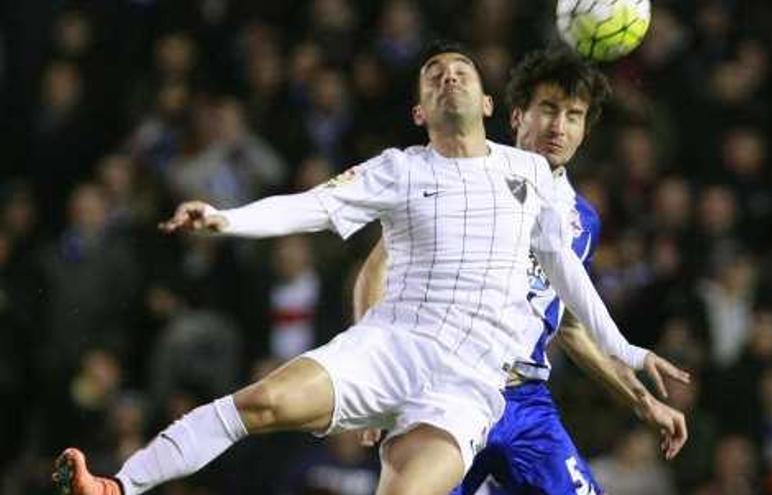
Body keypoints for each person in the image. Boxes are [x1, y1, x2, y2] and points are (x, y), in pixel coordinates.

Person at [53, 40, 678, 495]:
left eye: (462, 70)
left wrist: (626, 350)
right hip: (390, 346)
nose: (449, 77)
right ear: (420, 110)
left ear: (489, 102)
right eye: (435, 74)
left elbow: (565, 275)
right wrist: (225, 218)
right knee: (262, 402)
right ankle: (118, 486)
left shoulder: (530, 176)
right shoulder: (399, 170)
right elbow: (313, 207)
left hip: (469, 386)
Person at [353, 47, 690, 495]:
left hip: (526, 404)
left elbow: (570, 328)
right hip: (443, 391)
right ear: (516, 117)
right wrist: (372, 382)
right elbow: (374, 275)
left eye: (574, 115)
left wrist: (642, 401)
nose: (558, 127)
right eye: (547, 109)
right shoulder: (460, 178)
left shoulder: (580, 220)